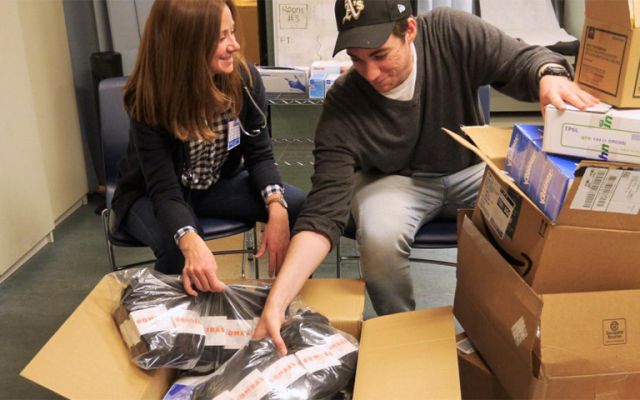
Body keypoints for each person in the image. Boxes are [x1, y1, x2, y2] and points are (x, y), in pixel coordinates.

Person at [255, 0, 598, 355]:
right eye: (358, 60)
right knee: (379, 237)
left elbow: (522, 60)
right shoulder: (345, 102)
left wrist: (548, 76)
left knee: (540, 202)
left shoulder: (449, 32)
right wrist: (277, 301)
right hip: (395, 182)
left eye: (381, 55)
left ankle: (526, 331)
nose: (370, 72)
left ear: (410, 32)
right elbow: (323, 214)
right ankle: (404, 341)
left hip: (469, 170)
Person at [111, 0, 306, 295]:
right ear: (185, 45)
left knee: (302, 208)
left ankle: (289, 305)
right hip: (149, 194)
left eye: (233, 32)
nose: (235, 45)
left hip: (215, 184)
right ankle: (173, 323)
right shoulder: (149, 97)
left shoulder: (243, 79)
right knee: (179, 246)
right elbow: (164, 190)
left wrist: (276, 207)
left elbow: (259, 154)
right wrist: (188, 237)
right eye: (221, 37)